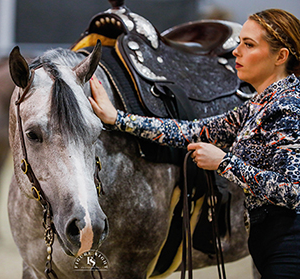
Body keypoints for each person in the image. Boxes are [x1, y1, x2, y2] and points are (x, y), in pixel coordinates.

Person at [89, 8, 300, 279]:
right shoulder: (259, 105)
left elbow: (292, 191)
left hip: (289, 242)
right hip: (270, 240)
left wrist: (223, 163)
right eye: (239, 43)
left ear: (281, 56)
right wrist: (117, 118)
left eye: (249, 45)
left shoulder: (289, 106)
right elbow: (194, 131)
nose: (237, 52)